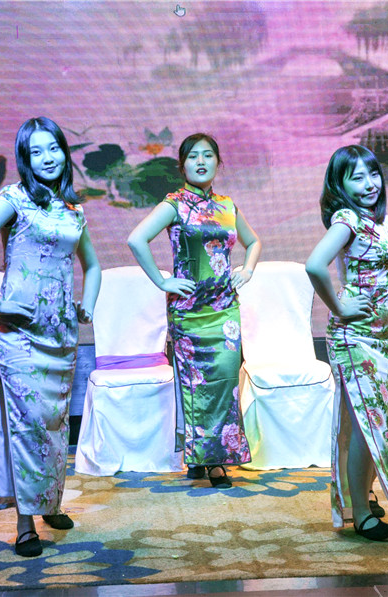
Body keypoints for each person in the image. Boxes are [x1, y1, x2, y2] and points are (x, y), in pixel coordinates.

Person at [0, 117, 101, 557]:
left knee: (55, 424)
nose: (47, 158)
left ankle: (49, 503)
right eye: (36, 151)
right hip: (18, 335)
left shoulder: (73, 208)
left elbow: (92, 266)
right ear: (25, 159)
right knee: (26, 425)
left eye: (53, 148)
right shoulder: (14, 199)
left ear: (64, 152)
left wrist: (87, 305)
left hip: (60, 334)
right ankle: (24, 524)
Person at [306, 145, 388, 541]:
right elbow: (314, 265)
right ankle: (361, 513)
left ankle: (361, 496)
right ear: (340, 184)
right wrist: (339, 306)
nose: (369, 184)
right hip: (357, 337)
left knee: (382, 422)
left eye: (373, 174)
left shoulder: (383, 222)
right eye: (357, 177)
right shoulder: (347, 219)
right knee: (368, 425)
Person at [127, 133, 261, 488]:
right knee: (195, 385)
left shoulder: (228, 206)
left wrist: (247, 268)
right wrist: (162, 280)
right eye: (193, 156)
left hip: (225, 310)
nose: (201, 162)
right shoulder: (174, 204)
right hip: (189, 312)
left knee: (224, 383)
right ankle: (202, 457)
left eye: (208, 155)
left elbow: (253, 241)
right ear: (182, 165)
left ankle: (214, 459)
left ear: (218, 162)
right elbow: (136, 239)